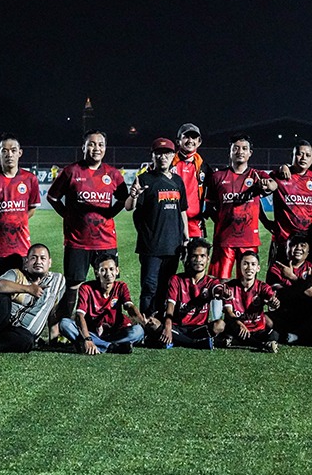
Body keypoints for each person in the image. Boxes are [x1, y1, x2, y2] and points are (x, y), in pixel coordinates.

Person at [47, 129, 129, 325]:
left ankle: (107, 324)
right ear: (83, 147)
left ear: (105, 148)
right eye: (91, 144)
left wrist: (111, 213)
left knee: (108, 284)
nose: (96, 148)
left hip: (106, 241)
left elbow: (124, 200)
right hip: (78, 242)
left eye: (100, 144)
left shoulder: (113, 174)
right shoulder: (71, 172)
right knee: (73, 285)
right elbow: (52, 197)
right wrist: (67, 214)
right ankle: (64, 326)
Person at [125, 137, 189, 319]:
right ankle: (145, 320)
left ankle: (160, 319)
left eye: (167, 153)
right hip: (151, 246)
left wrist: (186, 238)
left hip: (173, 245)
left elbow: (182, 210)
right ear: (152, 156)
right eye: (159, 153)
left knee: (166, 286)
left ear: (173, 155)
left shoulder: (178, 181)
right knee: (149, 286)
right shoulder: (145, 179)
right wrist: (134, 194)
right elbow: (130, 206)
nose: (163, 157)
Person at [0, 133, 41, 307]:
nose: (9, 154)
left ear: (20, 153)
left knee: (18, 286)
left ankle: (11, 324)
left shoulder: (30, 179)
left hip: (20, 248)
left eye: (13, 150)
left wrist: (18, 221)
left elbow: (32, 208)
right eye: (4, 150)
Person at [0, 244, 65, 355]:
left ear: (49, 262)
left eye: (42, 258)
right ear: (26, 262)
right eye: (33, 258)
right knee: (1, 297)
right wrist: (28, 289)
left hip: (21, 334)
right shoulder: (16, 274)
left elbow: (53, 309)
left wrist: (54, 337)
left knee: (27, 342)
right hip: (4, 325)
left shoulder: (58, 280)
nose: (38, 262)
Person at [205, 134, 277, 279]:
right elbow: (210, 206)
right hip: (224, 240)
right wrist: (221, 222)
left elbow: (273, 185)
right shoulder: (217, 177)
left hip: (249, 241)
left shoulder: (257, 175)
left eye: (244, 148)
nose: (240, 152)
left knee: (247, 282)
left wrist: (267, 184)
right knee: (220, 282)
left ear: (250, 153)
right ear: (230, 151)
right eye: (236, 148)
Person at [59, 254, 146, 354]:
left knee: (138, 331)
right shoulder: (86, 288)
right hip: (91, 333)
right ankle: (111, 347)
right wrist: (87, 338)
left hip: (115, 333)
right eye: (103, 270)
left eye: (111, 269)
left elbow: (129, 307)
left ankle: (98, 345)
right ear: (97, 273)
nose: (108, 273)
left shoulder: (121, 286)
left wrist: (142, 320)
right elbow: (80, 315)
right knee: (65, 324)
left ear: (117, 271)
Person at [154, 238, 227, 350]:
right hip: (177, 326)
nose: (199, 260)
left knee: (220, 325)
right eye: (194, 256)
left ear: (207, 259)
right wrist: (168, 326)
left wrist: (223, 293)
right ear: (188, 258)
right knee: (153, 324)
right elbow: (170, 306)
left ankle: (178, 340)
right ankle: (195, 343)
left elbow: (217, 289)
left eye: (202, 256)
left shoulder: (212, 282)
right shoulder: (176, 279)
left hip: (199, 328)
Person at [266, 233, 312, 344]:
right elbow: (281, 295)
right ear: (286, 247)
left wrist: (292, 277)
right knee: (263, 318)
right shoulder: (276, 268)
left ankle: (286, 336)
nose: (298, 248)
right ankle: (292, 336)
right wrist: (306, 284)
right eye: (293, 244)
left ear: (308, 251)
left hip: (307, 316)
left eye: (302, 245)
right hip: (283, 314)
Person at [270, 140, 312, 262]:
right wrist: (265, 221)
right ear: (292, 155)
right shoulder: (278, 176)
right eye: (300, 154)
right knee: (277, 277)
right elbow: (255, 197)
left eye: (307, 155)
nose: (303, 158)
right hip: (283, 240)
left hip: (307, 241)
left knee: (305, 279)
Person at [223, 251, 282, 353]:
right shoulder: (230, 287)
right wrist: (239, 323)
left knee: (275, 334)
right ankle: (262, 345)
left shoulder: (263, 287)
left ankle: (239, 342)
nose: (249, 268)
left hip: (257, 329)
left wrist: (273, 302)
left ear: (258, 268)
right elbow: (228, 311)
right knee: (236, 331)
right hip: (238, 327)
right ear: (239, 267)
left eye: (253, 264)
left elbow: (270, 298)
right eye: (245, 264)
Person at [171, 123, 211, 238]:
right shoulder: (168, 164)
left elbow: (215, 189)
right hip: (171, 222)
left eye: (194, 137)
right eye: (186, 137)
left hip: (195, 224)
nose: (190, 141)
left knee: (196, 256)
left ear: (199, 142)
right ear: (178, 141)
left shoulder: (204, 167)